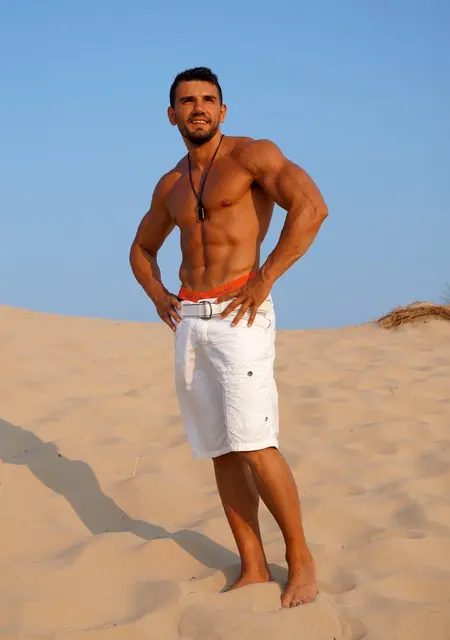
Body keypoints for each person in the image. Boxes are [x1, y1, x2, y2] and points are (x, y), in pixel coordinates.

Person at [129, 67, 328, 608]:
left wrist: (265, 280)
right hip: (191, 321)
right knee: (221, 449)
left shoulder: (252, 156)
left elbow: (312, 208)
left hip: (241, 313)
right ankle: (254, 566)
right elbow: (141, 249)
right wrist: (158, 295)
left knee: (255, 444)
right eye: (187, 101)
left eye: (208, 100)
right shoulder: (170, 184)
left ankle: (301, 561)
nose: (198, 108)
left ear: (223, 110)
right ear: (171, 114)